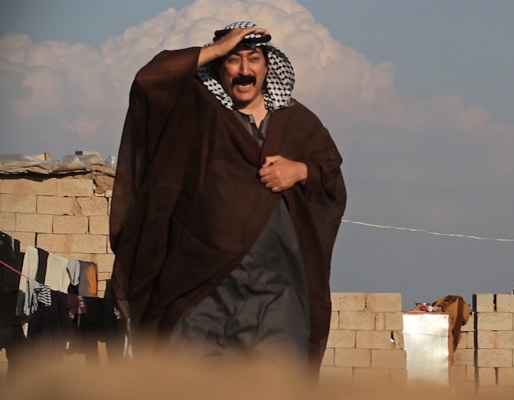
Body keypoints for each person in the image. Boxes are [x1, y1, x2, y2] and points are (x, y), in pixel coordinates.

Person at [107, 21, 346, 374]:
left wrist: (301, 171)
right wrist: (217, 48)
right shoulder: (197, 112)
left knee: (273, 385)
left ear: (268, 67)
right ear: (220, 67)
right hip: (200, 286)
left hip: (277, 289)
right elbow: (149, 80)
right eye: (233, 60)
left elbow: (331, 180)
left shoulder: (298, 122)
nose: (244, 70)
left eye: (254, 59)